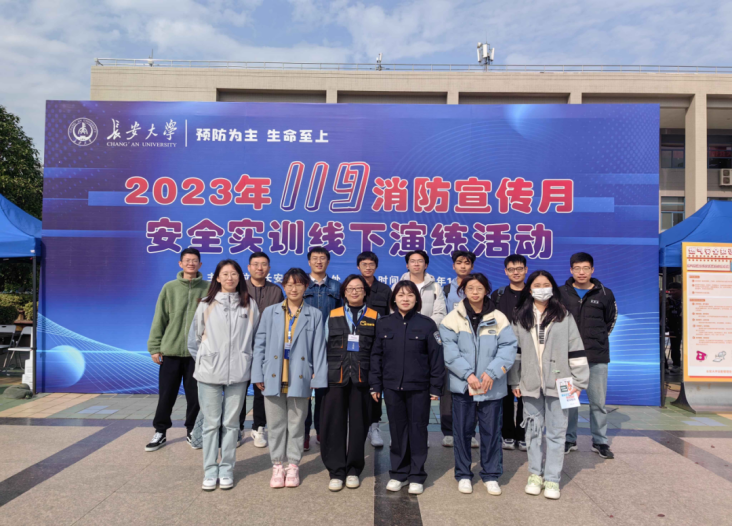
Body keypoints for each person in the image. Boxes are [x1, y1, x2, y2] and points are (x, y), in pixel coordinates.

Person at [508, 270, 589, 500]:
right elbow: (515, 352)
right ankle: (535, 474)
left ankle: (552, 478)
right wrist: (515, 380)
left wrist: (579, 381)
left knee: (556, 432)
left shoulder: (564, 316)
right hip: (530, 383)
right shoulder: (520, 316)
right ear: (530, 289)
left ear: (552, 287)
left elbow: (576, 349)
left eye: (546, 284)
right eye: (537, 285)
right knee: (533, 431)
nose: (541, 288)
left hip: (560, 382)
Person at [440, 273, 517, 496]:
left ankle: (491, 475)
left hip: (491, 386)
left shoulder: (498, 317)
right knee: (462, 432)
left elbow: (508, 348)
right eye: (470, 288)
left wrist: (492, 372)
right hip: (464, 386)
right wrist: (468, 375)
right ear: (463, 291)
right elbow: (450, 352)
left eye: (479, 288)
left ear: (486, 291)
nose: (475, 292)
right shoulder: (452, 319)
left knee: (491, 432)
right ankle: (463, 474)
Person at [252, 268, 327, 489]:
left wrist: (318, 378)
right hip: (273, 373)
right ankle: (277, 464)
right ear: (283, 286)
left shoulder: (314, 314)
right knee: (275, 424)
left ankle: (293, 464)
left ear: (306, 287)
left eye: (298, 284)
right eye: (289, 284)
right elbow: (260, 345)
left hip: (300, 375)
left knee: (296, 424)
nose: (294, 289)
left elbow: (319, 348)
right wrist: (257, 373)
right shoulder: (271, 312)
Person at [188, 259, 259, 491]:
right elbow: (194, 341)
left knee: (231, 424)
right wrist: (207, 359)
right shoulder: (206, 304)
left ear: (240, 277)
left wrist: (244, 359)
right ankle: (210, 471)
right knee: (211, 424)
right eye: (225, 274)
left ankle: (226, 469)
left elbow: (256, 338)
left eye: (234, 274)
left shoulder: (249, 304)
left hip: (238, 373)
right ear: (217, 278)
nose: (230, 278)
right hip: (209, 374)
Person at [370, 281, 445, 496]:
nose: (405, 299)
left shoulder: (427, 324)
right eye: (401, 295)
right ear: (394, 299)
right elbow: (376, 356)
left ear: (417, 299)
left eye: (410, 295)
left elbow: (436, 358)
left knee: (418, 430)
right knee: (397, 430)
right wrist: (375, 384)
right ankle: (398, 474)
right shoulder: (383, 324)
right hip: (392, 387)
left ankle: (416, 476)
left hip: (419, 388)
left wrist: (435, 387)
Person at [146, 248, 209, 452]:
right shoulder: (169, 288)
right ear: (180, 264)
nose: (191, 263)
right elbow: (160, 318)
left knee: (195, 396)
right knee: (166, 395)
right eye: (187, 260)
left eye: (195, 260)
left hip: (196, 354)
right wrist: (155, 347)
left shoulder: (208, 289)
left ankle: (192, 431)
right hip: (170, 352)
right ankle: (160, 431)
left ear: (200, 264)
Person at [321, 275, 379, 491]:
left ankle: (353, 469)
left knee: (359, 425)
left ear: (365, 292)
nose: (354, 292)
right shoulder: (333, 315)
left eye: (358, 288)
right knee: (333, 424)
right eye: (350, 288)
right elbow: (323, 347)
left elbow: (378, 352)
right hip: (335, 377)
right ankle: (336, 471)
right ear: (344, 292)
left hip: (363, 378)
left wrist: (376, 381)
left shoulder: (375, 316)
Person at [559, 252, 618, 460]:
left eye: (585, 268)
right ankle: (569, 439)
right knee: (569, 401)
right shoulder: (561, 293)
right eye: (577, 268)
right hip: (567, 357)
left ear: (592, 270)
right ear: (571, 270)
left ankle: (600, 441)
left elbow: (610, 320)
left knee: (598, 402)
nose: (581, 272)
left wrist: (597, 339)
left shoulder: (605, 293)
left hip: (596, 356)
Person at [239, 251, 285, 448]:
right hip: (241, 347)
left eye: (264, 264)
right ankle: (237, 428)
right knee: (238, 390)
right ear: (249, 268)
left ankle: (259, 427)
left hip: (266, 349)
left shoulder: (276, 290)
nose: (260, 268)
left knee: (261, 389)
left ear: (269, 268)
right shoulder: (239, 288)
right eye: (256, 264)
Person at [303, 247, 342, 451]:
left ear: (328, 261)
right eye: (315, 258)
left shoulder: (336, 286)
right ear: (309, 261)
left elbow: (342, 314)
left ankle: (321, 430)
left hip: (328, 345)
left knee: (323, 392)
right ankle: (303, 433)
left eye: (323, 258)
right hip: (303, 343)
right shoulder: (301, 284)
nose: (319, 261)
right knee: (303, 391)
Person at [440, 250, 479, 449]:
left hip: (474, 346)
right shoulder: (446, 289)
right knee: (448, 390)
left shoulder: (478, 287)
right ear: (453, 266)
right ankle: (448, 431)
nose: (463, 266)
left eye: (467, 263)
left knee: (473, 389)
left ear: (472, 266)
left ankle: (470, 432)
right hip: (451, 345)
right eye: (459, 262)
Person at [491, 254, 528, 452]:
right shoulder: (498, 295)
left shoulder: (533, 294)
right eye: (512, 269)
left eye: (519, 268)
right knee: (504, 395)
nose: (516, 272)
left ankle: (523, 435)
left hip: (528, 352)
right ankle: (507, 434)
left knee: (526, 395)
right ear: (506, 271)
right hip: (503, 352)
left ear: (526, 270)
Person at [357, 251, 390, 448]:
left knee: (376, 384)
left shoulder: (385, 290)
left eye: (371, 264)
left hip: (378, 345)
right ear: (358, 267)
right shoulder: (353, 286)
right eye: (364, 264)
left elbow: (389, 316)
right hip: (356, 344)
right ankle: (358, 425)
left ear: (376, 267)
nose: (368, 267)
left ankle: (374, 426)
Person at [394, 250, 447, 326]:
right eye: (412, 261)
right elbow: (392, 310)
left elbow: (440, 313)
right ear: (407, 265)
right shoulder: (397, 286)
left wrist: (425, 326)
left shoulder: (435, 287)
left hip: (427, 329)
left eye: (420, 261)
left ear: (426, 265)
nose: (416, 264)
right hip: (402, 329)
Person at [666, 283, 683, 374]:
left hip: (687, 326)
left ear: (680, 290)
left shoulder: (686, 299)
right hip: (673, 327)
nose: (672, 292)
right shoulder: (667, 301)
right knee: (674, 347)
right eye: (670, 290)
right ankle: (676, 365)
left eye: (674, 290)